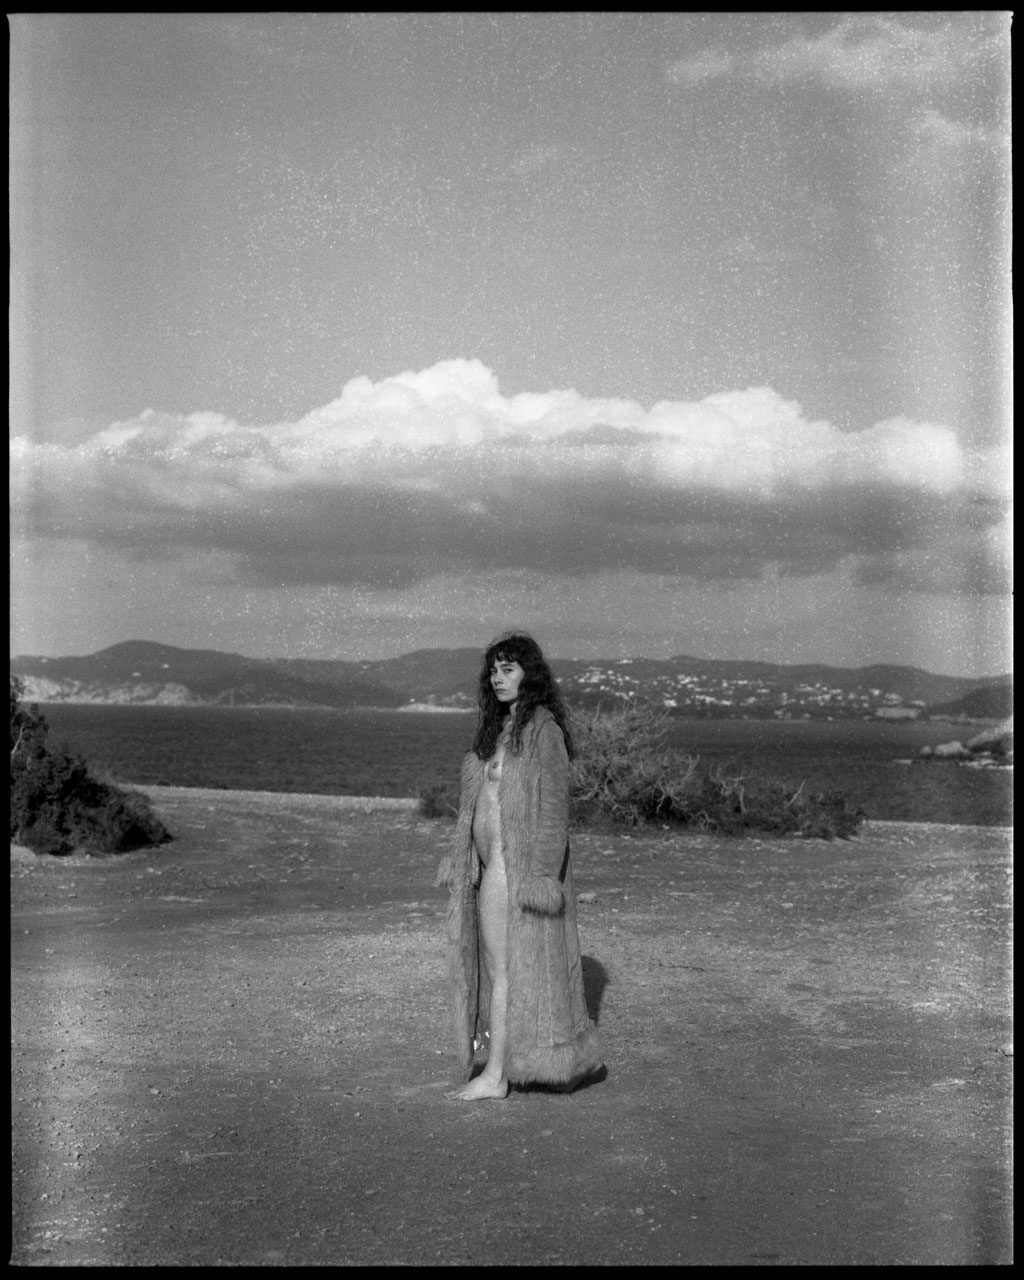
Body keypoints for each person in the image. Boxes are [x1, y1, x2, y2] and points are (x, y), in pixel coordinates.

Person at [436, 633, 603, 1101]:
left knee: (504, 971)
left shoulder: (543, 731)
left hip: (515, 872)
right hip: (489, 870)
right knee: (495, 969)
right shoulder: (499, 730)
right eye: (493, 671)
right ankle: (504, 1065)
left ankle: (496, 1077)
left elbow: (554, 812)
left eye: (509, 669)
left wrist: (542, 879)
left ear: (530, 674)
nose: (498, 678)